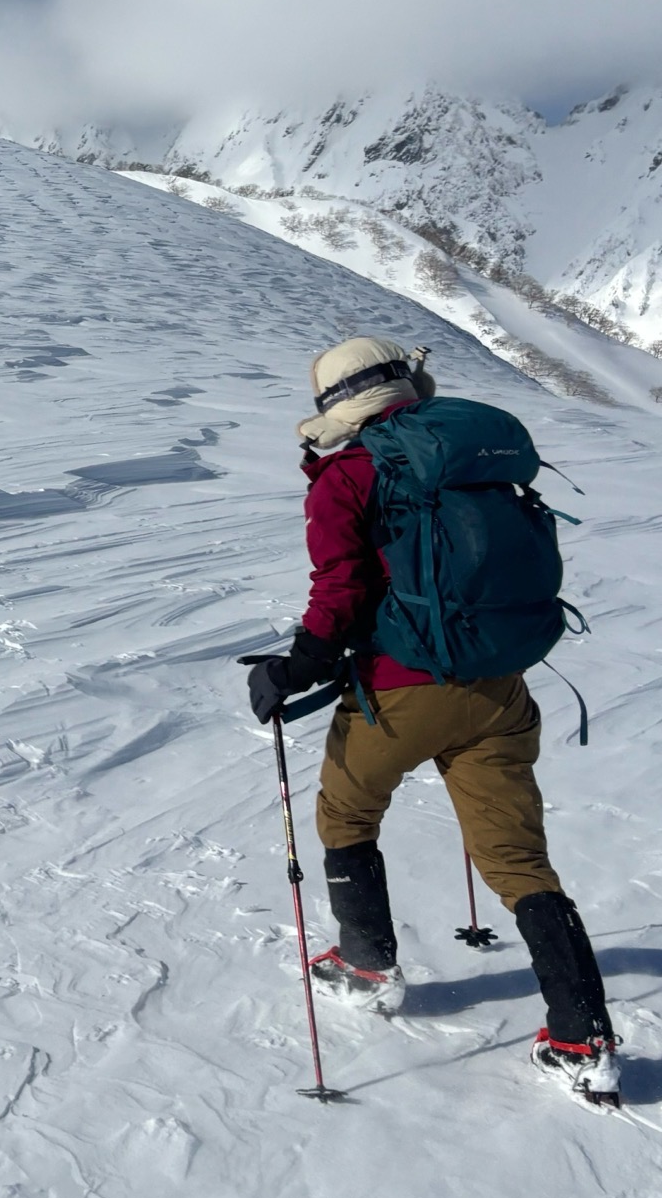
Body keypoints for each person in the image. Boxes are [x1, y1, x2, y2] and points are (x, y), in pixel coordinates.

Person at [244, 336, 618, 1104]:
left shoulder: (348, 477)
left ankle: (367, 962)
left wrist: (294, 669)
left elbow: (341, 592)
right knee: (518, 859)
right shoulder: (472, 461)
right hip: (500, 687)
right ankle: (582, 1036)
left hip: (401, 691)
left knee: (346, 811)